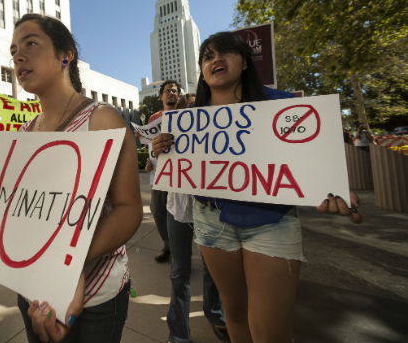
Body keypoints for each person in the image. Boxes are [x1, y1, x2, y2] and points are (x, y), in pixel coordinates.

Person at [0, 13, 143, 343]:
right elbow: (7, 211)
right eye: (14, 49)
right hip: (33, 293)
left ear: (65, 55)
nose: (18, 56)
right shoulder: (23, 133)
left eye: (31, 44)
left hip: (96, 295)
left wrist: (68, 264)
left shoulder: (101, 120)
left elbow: (129, 209)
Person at [152, 32, 363, 343]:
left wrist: (332, 187)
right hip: (211, 223)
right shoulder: (188, 121)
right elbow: (182, 168)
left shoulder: (283, 106)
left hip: (271, 223)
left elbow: (312, 159)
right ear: (202, 70)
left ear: (246, 63)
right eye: (208, 57)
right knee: (235, 314)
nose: (216, 60)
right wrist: (163, 148)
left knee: (270, 332)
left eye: (225, 53)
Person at [164, 94, 229, 343]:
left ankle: (215, 314)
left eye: (196, 106)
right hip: (177, 211)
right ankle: (178, 334)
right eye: (188, 107)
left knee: (213, 271)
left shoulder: (215, 136)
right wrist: (156, 152)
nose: (192, 110)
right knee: (179, 273)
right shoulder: (166, 138)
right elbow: (156, 169)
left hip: (210, 212)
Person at [135, 80, 180, 263]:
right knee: (158, 211)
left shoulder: (186, 115)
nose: (171, 94)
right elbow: (151, 146)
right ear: (161, 95)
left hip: (181, 174)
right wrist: (148, 163)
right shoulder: (154, 118)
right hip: (160, 175)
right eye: (168, 91)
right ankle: (168, 246)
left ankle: (180, 254)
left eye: (175, 91)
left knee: (179, 216)